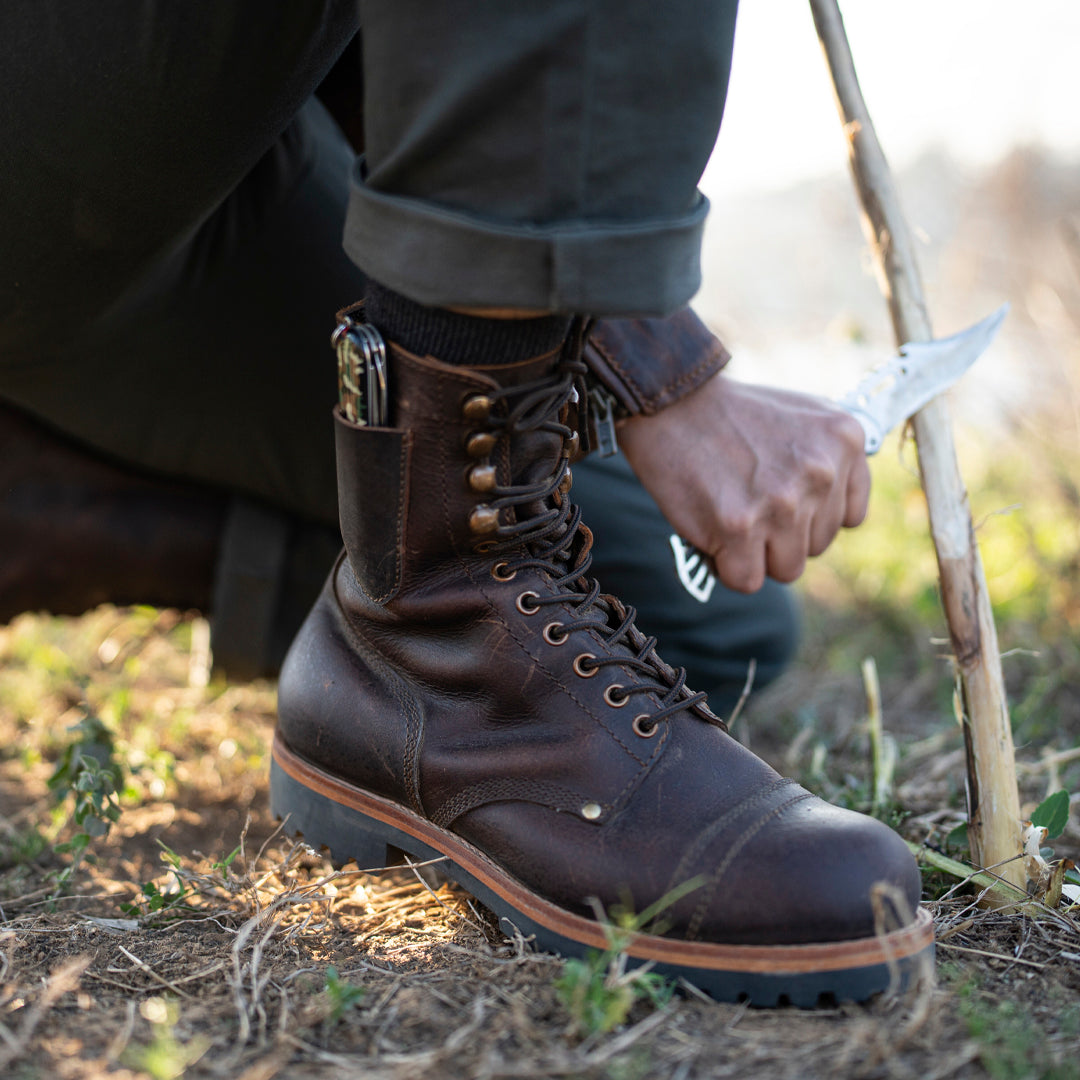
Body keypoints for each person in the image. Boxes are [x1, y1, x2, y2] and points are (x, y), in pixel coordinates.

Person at [0, 3, 930, 1003]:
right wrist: (663, 361)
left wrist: (645, 351)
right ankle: (446, 611)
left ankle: (52, 515)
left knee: (698, 603)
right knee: (494, 558)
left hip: (191, 168)